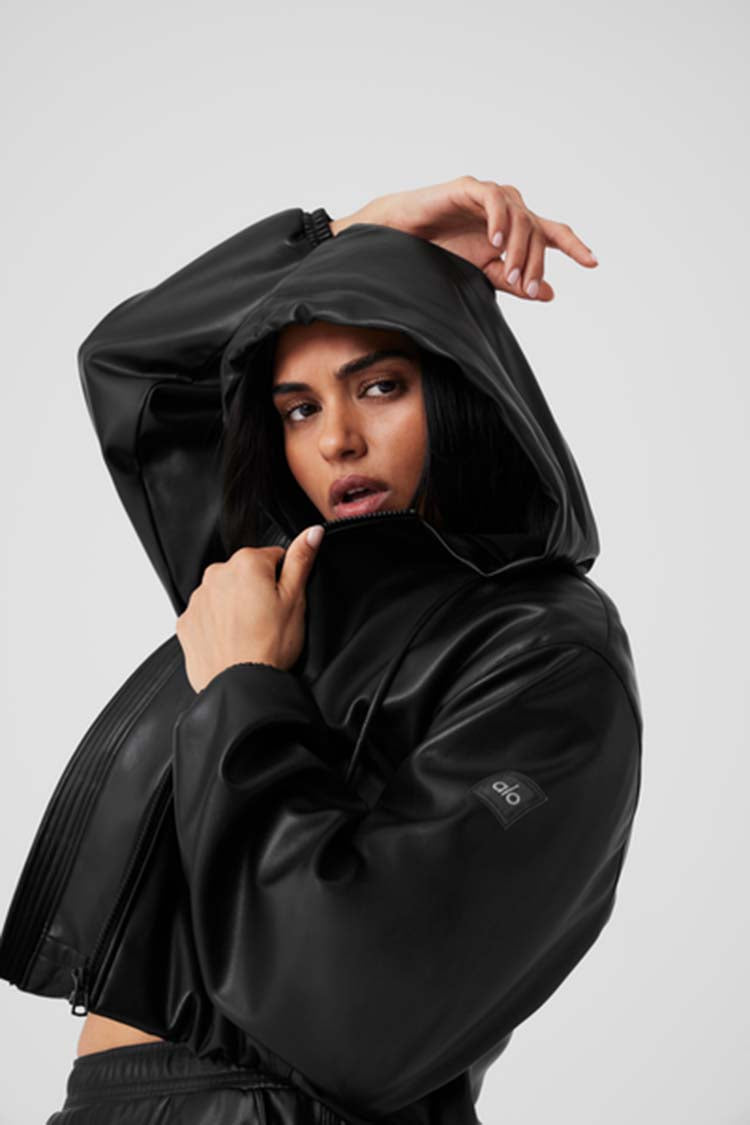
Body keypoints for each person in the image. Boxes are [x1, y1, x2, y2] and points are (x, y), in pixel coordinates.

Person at [0, 177, 642, 1125]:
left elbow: (356, 1004)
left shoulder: (543, 645)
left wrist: (244, 684)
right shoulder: (278, 579)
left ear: (460, 387)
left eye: (380, 387)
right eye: (298, 409)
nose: (337, 440)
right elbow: (136, 363)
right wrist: (348, 237)